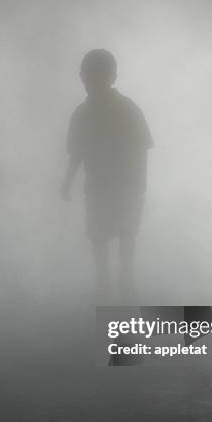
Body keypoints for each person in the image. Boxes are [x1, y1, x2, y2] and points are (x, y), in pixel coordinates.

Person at [61, 49, 153, 303]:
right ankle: (107, 284)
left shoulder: (123, 109)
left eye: (95, 77)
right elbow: (76, 153)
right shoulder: (87, 113)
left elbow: (141, 148)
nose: (90, 82)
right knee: (104, 238)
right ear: (82, 77)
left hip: (123, 188)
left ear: (112, 77)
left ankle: (123, 282)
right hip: (102, 189)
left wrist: (140, 185)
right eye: (88, 77)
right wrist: (67, 183)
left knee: (123, 235)